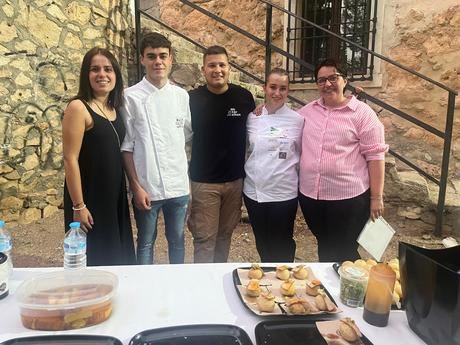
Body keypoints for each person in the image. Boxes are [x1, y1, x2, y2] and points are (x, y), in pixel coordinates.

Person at [297, 58, 388, 262]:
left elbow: (375, 156)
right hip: (313, 198)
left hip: (349, 200)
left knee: (345, 250)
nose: (327, 84)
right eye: (321, 80)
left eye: (333, 78)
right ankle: (329, 289)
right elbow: (285, 124)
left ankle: (351, 288)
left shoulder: (362, 114)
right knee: (325, 245)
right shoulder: (307, 112)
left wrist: (376, 198)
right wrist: (262, 111)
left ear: (345, 80)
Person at [121, 32, 191, 265]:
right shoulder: (130, 97)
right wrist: (136, 186)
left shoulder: (181, 96)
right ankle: (145, 288)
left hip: (179, 186)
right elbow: (127, 147)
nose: (157, 62)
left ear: (171, 58)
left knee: (178, 241)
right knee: (146, 242)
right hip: (147, 186)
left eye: (162, 56)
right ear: (142, 59)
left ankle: (177, 286)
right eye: (151, 56)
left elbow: (186, 133)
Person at [63, 47, 136, 266]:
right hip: (90, 196)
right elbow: (70, 159)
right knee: (97, 257)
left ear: (116, 75)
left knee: (118, 253)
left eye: (108, 69)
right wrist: (78, 206)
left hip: (114, 194)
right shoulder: (78, 107)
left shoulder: (114, 108)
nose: (102, 74)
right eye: (95, 69)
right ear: (86, 75)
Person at [188, 45, 255, 263]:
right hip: (204, 182)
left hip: (235, 182)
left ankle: (217, 282)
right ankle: (202, 287)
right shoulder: (191, 99)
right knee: (205, 239)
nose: (217, 69)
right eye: (212, 65)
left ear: (229, 68)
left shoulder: (244, 98)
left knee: (225, 236)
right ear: (203, 70)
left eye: (222, 65)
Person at [243, 68, 304, 262]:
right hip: (254, 192)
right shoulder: (252, 117)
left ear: (288, 91)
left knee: (283, 244)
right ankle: (267, 282)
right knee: (262, 243)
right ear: (265, 88)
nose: (277, 93)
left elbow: (302, 154)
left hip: (283, 194)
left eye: (283, 88)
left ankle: (285, 284)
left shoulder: (298, 120)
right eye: (273, 87)